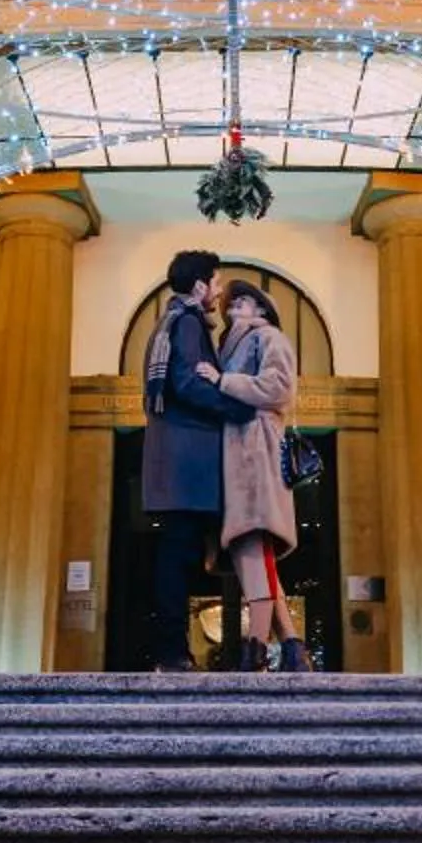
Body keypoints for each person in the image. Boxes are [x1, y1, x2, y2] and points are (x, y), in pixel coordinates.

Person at [140, 248, 255, 672]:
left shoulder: (172, 321)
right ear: (201, 284)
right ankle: (171, 653)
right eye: (217, 282)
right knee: (179, 556)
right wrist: (236, 405)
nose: (220, 291)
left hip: (177, 463)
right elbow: (186, 383)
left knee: (180, 553)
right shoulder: (187, 322)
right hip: (187, 464)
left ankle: (173, 650)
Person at [210, 281, 308, 672]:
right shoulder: (231, 348)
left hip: (256, 452)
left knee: (253, 543)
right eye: (232, 302)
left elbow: (280, 388)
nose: (234, 306)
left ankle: (254, 649)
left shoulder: (268, 337)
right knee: (252, 551)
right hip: (240, 454)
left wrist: (223, 381)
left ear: (263, 311)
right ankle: (292, 646)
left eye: (245, 301)